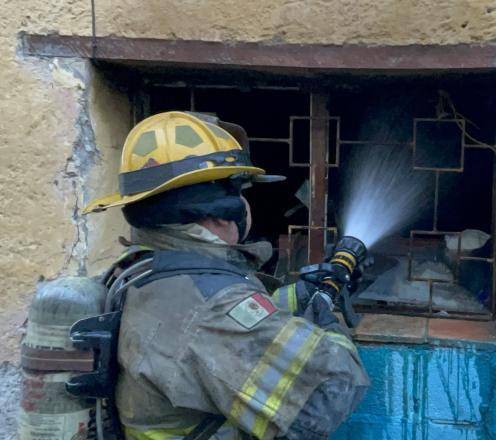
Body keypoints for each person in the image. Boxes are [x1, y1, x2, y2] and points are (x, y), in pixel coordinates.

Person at [84, 111, 369, 439]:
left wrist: (300, 295)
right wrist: (327, 324)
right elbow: (330, 390)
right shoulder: (213, 309)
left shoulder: (144, 269)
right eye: (239, 192)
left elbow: (219, 325)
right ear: (217, 212)